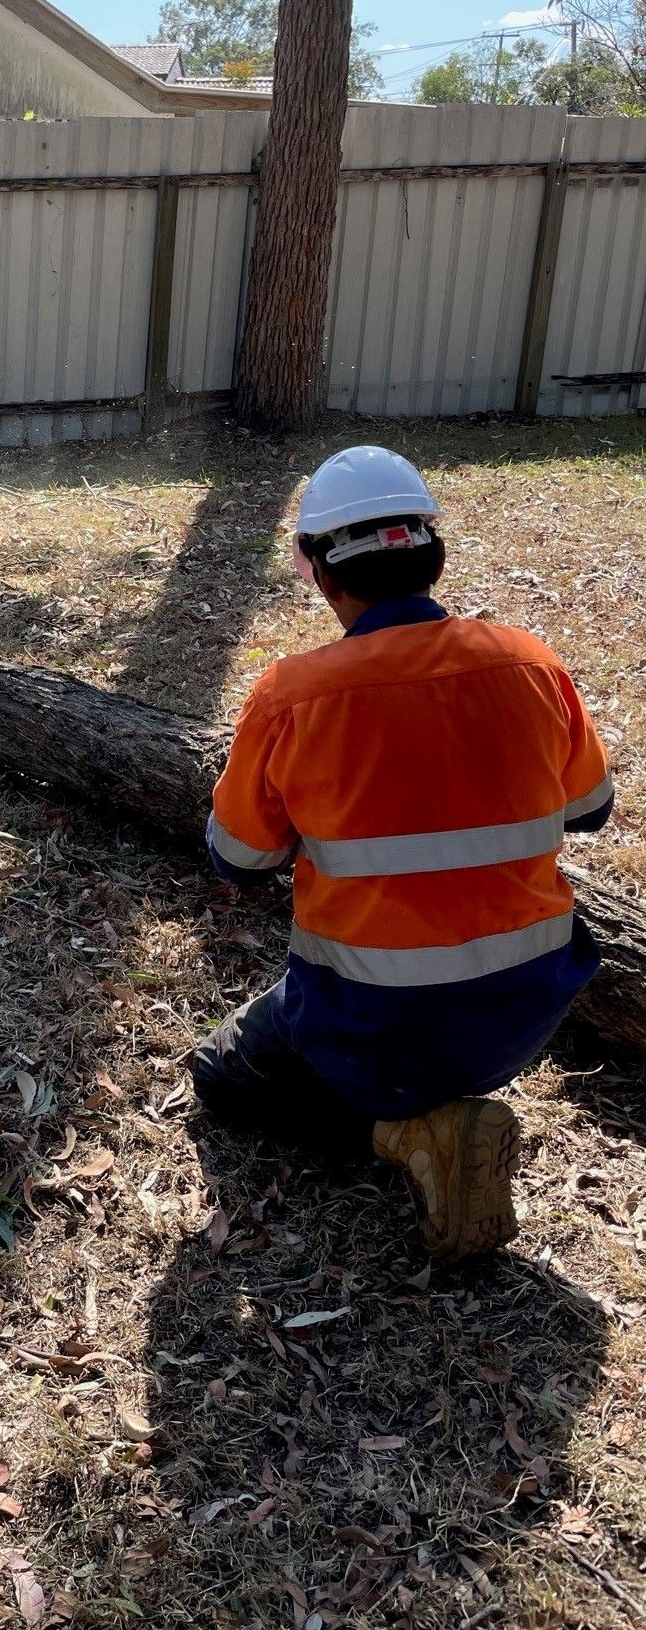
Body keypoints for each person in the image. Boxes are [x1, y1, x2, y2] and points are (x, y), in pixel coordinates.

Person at [195, 445, 614, 1262]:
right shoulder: (532, 663)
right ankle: (441, 1112)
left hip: (369, 1024)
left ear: (319, 571)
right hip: (523, 1015)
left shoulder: (292, 696)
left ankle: (405, 1133)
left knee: (221, 1074)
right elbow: (592, 809)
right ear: (435, 552)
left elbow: (238, 859)